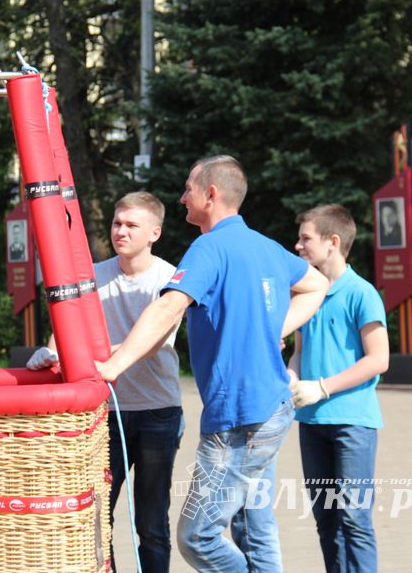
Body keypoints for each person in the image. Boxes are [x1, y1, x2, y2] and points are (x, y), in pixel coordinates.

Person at [96, 155, 329, 573]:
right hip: (270, 411)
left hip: (239, 420)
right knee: (254, 531)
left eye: (188, 188)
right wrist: (274, 326)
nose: (182, 196)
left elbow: (169, 308)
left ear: (211, 194)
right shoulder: (264, 245)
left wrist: (114, 363)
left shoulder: (208, 248)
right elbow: (317, 284)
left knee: (197, 537)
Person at [27, 191, 183, 572]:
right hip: (104, 412)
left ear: (154, 233)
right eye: (117, 223)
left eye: (132, 225)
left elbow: (152, 342)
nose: (121, 231)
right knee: (97, 515)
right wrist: (50, 350)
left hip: (157, 410)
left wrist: (89, 356)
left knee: (151, 521)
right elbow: (66, 327)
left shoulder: (169, 278)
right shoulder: (94, 275)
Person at [288, 204, 390, 573]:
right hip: (312, 422)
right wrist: (293, 378)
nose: (298, 246)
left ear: (332, 242)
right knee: (325, 519)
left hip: (352, 423)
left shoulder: (362, 294)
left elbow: (379, 359)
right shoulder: (304, 294)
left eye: (305, 238)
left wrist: (323, 387)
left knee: (354, 519)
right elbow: (299, 353)